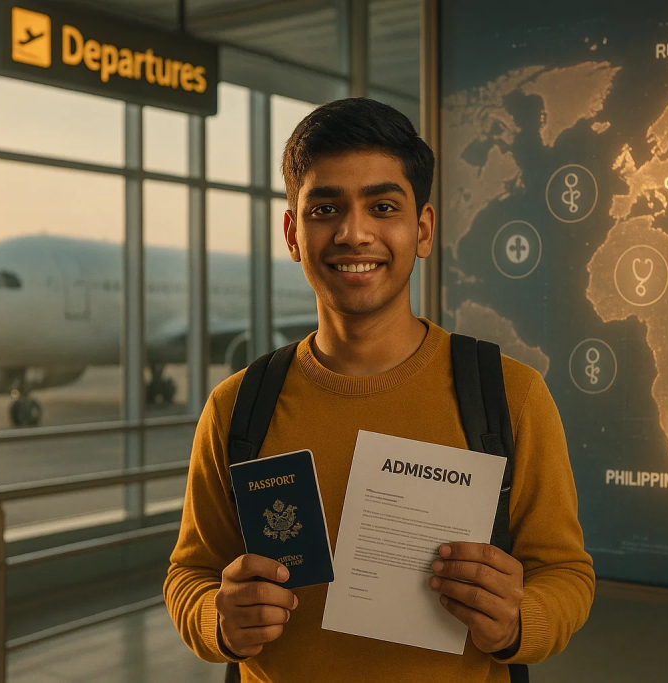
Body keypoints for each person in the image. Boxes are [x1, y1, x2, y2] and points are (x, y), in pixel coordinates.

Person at [164, 97, 594, 682]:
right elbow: (190, 575)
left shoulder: (508, 397)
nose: (353, 232)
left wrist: (521, 620)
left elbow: (566, 572)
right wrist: (217, 616)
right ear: (293, 233)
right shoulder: (237, 406)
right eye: (325, 209)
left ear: (422, 229)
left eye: (383, 206)